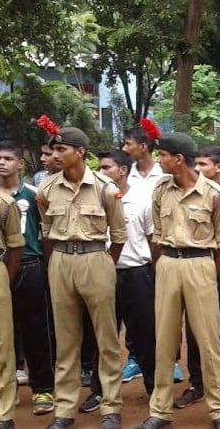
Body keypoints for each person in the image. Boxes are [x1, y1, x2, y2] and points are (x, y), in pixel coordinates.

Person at [136, 132, 220, 429]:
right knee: (164, 342)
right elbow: (155, 234)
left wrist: (207, 274)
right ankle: (160, 411)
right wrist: (163, 266)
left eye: (163, 155)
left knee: (209, 342)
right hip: (167, 263)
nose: (158, 160)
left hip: (200, 265)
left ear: (179, 159)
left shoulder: (215, 194)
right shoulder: (160, 189)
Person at [37, 127, 127, 429]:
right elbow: (47, 233)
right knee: (66, 340)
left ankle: (111, 407)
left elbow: (118, 236)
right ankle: (64, 411)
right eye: (54, 150)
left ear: (80, 152)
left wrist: (103, 265)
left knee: (107, 338)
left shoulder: (105, 188)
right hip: (61, 259)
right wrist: (57, 265)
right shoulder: (46, 190)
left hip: (96, 258)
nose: (55, 156)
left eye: (62, 150)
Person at [81, 150, 157, 412]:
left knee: (146, 334)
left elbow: (152, 239)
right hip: (101, 271)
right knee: (102, 334)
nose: (100, 173)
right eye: (99, 168)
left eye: (106, 168)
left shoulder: (143, 198)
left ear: (122, 170)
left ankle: (155, 389)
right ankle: (99, 390)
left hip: (136, 273)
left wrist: (153, 274)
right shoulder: (93, 197)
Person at [175, 146, 220, 411]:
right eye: (196, 165)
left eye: (203, 165)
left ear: (218, 167)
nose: (197, 170)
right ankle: (197, 383)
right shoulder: (189, 194)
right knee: (195, 325)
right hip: (197, 264)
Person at [0, 141, 56, 416]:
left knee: (35, 329)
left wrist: (45, 265)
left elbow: (47, 233)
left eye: (8, 158)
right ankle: (5, 389)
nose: (1, 163)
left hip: (29, 266)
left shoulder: (34, 194)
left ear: (20, 163)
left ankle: (43, 388)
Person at [0, 166, 25, 429]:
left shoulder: (2, 203)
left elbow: (15, 247)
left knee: (1, 344)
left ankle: (4, 414)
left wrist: (3, 279)